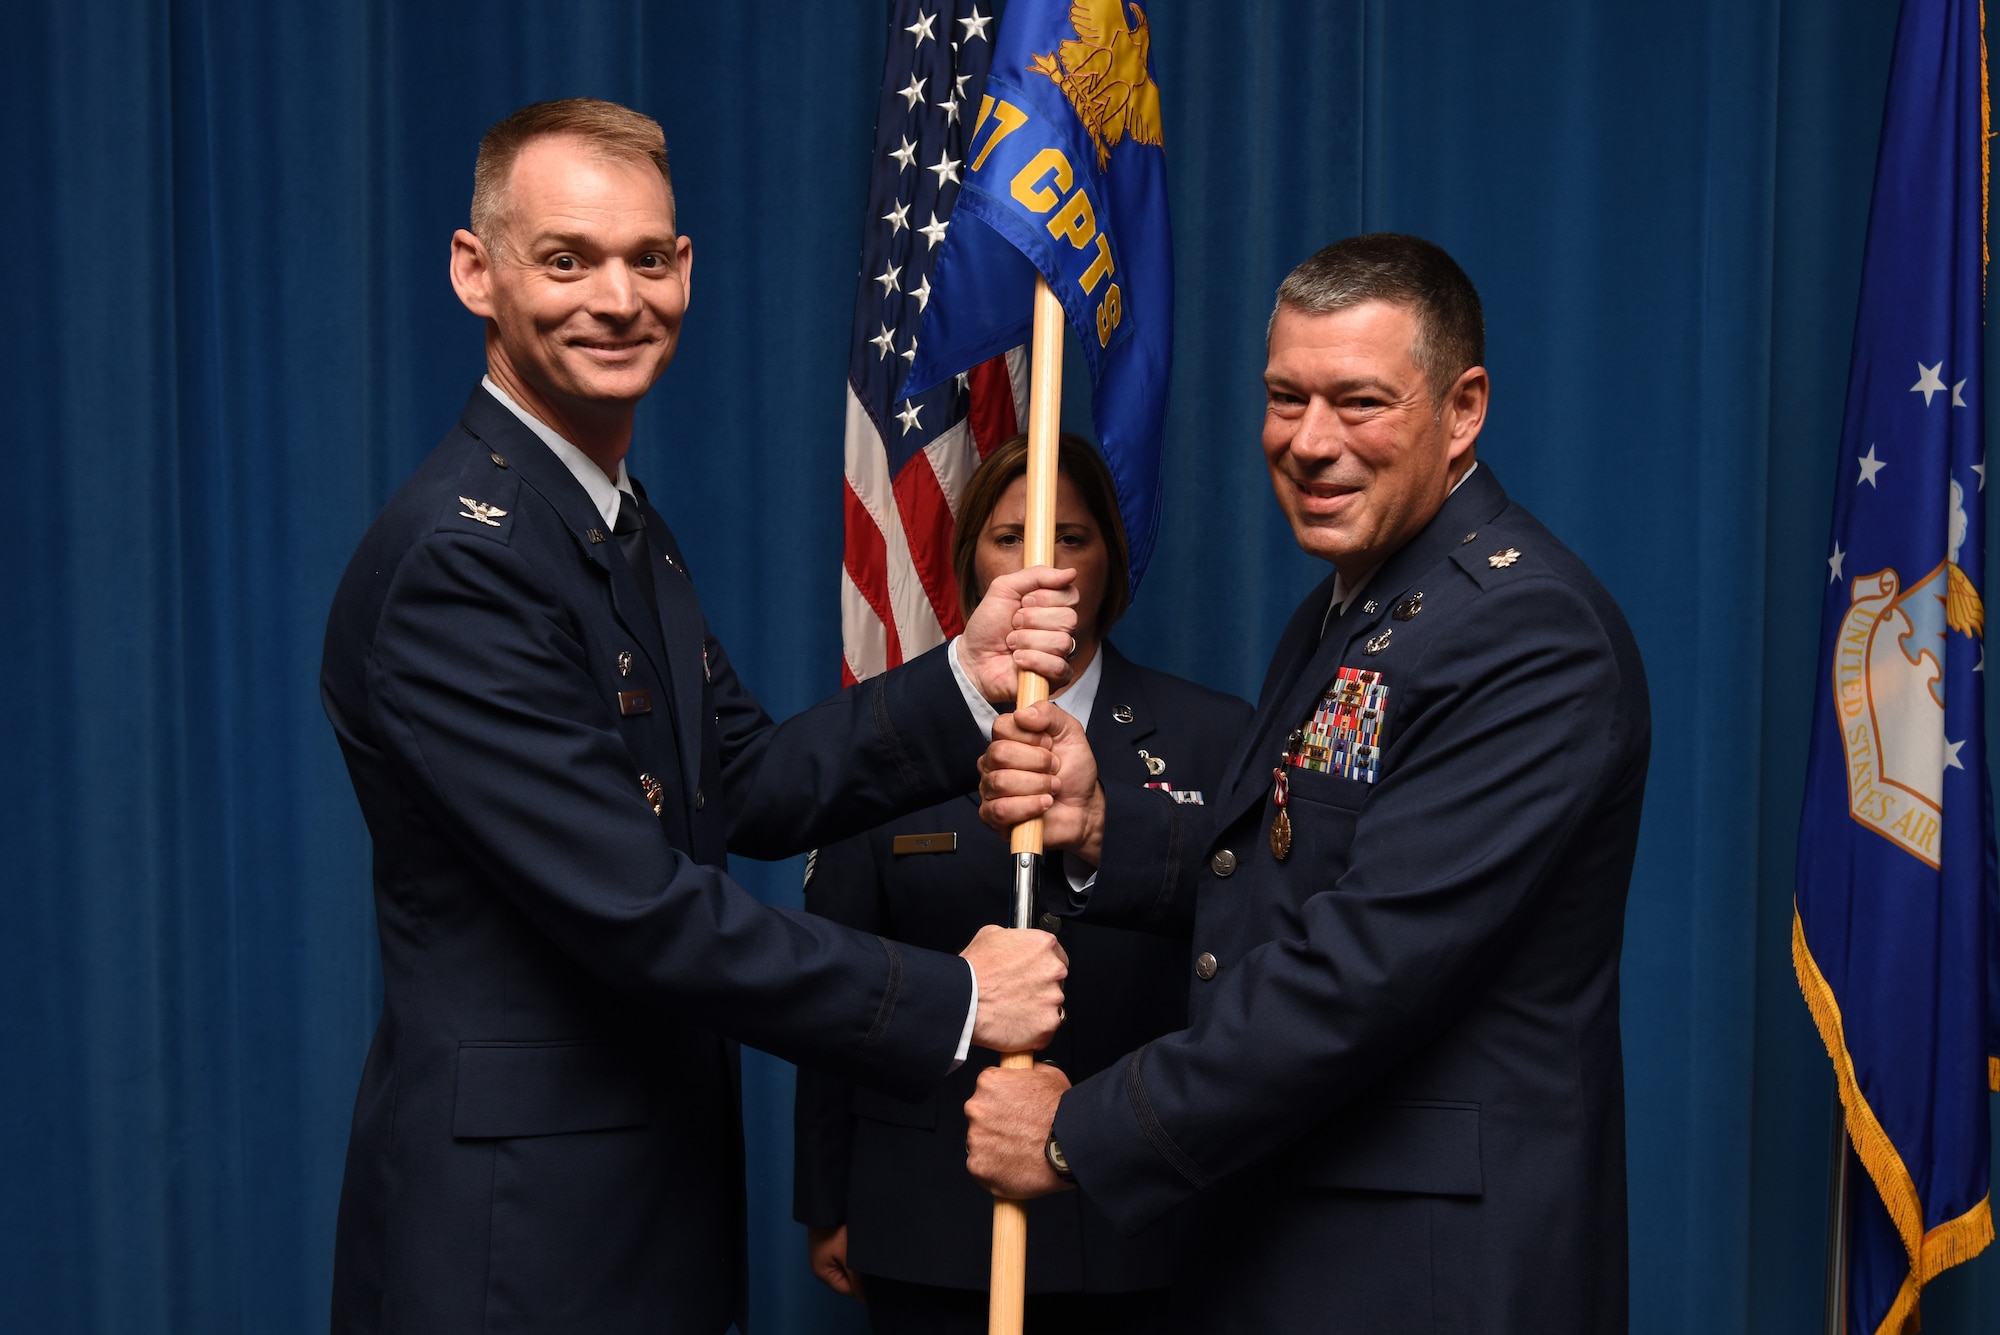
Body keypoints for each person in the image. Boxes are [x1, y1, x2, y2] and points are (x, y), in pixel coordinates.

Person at [319, 98, 1076, 1335]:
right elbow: (638, 909)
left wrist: (961, 674)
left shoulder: (611, 523)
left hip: (635, 1198)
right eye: (565, 259)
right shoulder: (463, 562)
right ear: (476, 272)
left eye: (645, 260)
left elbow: (748, 782)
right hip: (516, 1240)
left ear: (684, 271)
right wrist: (953, 1001)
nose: (616, 300)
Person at [967, 234, 1651, 1333]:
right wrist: (1102, 829)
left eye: (1359, 402)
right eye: (1285, 398)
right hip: (1299, 1232)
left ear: (1462, 410)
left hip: (1427, 1271)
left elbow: (1361, 969)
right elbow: (1292, 861)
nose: (1310, 443)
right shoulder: (1360, 602)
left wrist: (1075, 1134)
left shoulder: (1525, 632)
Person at [793, 435, 1251, 1334]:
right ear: (971, 562)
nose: (1041, 563)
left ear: (1110, 558)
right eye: (1009, 539)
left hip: (1139, 1217)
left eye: (1070, 536)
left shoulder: (1213, 733)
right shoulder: (895, 741)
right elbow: (836, 986)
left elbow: (1249, 953)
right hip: (930, 1218)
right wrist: (826, 1192)